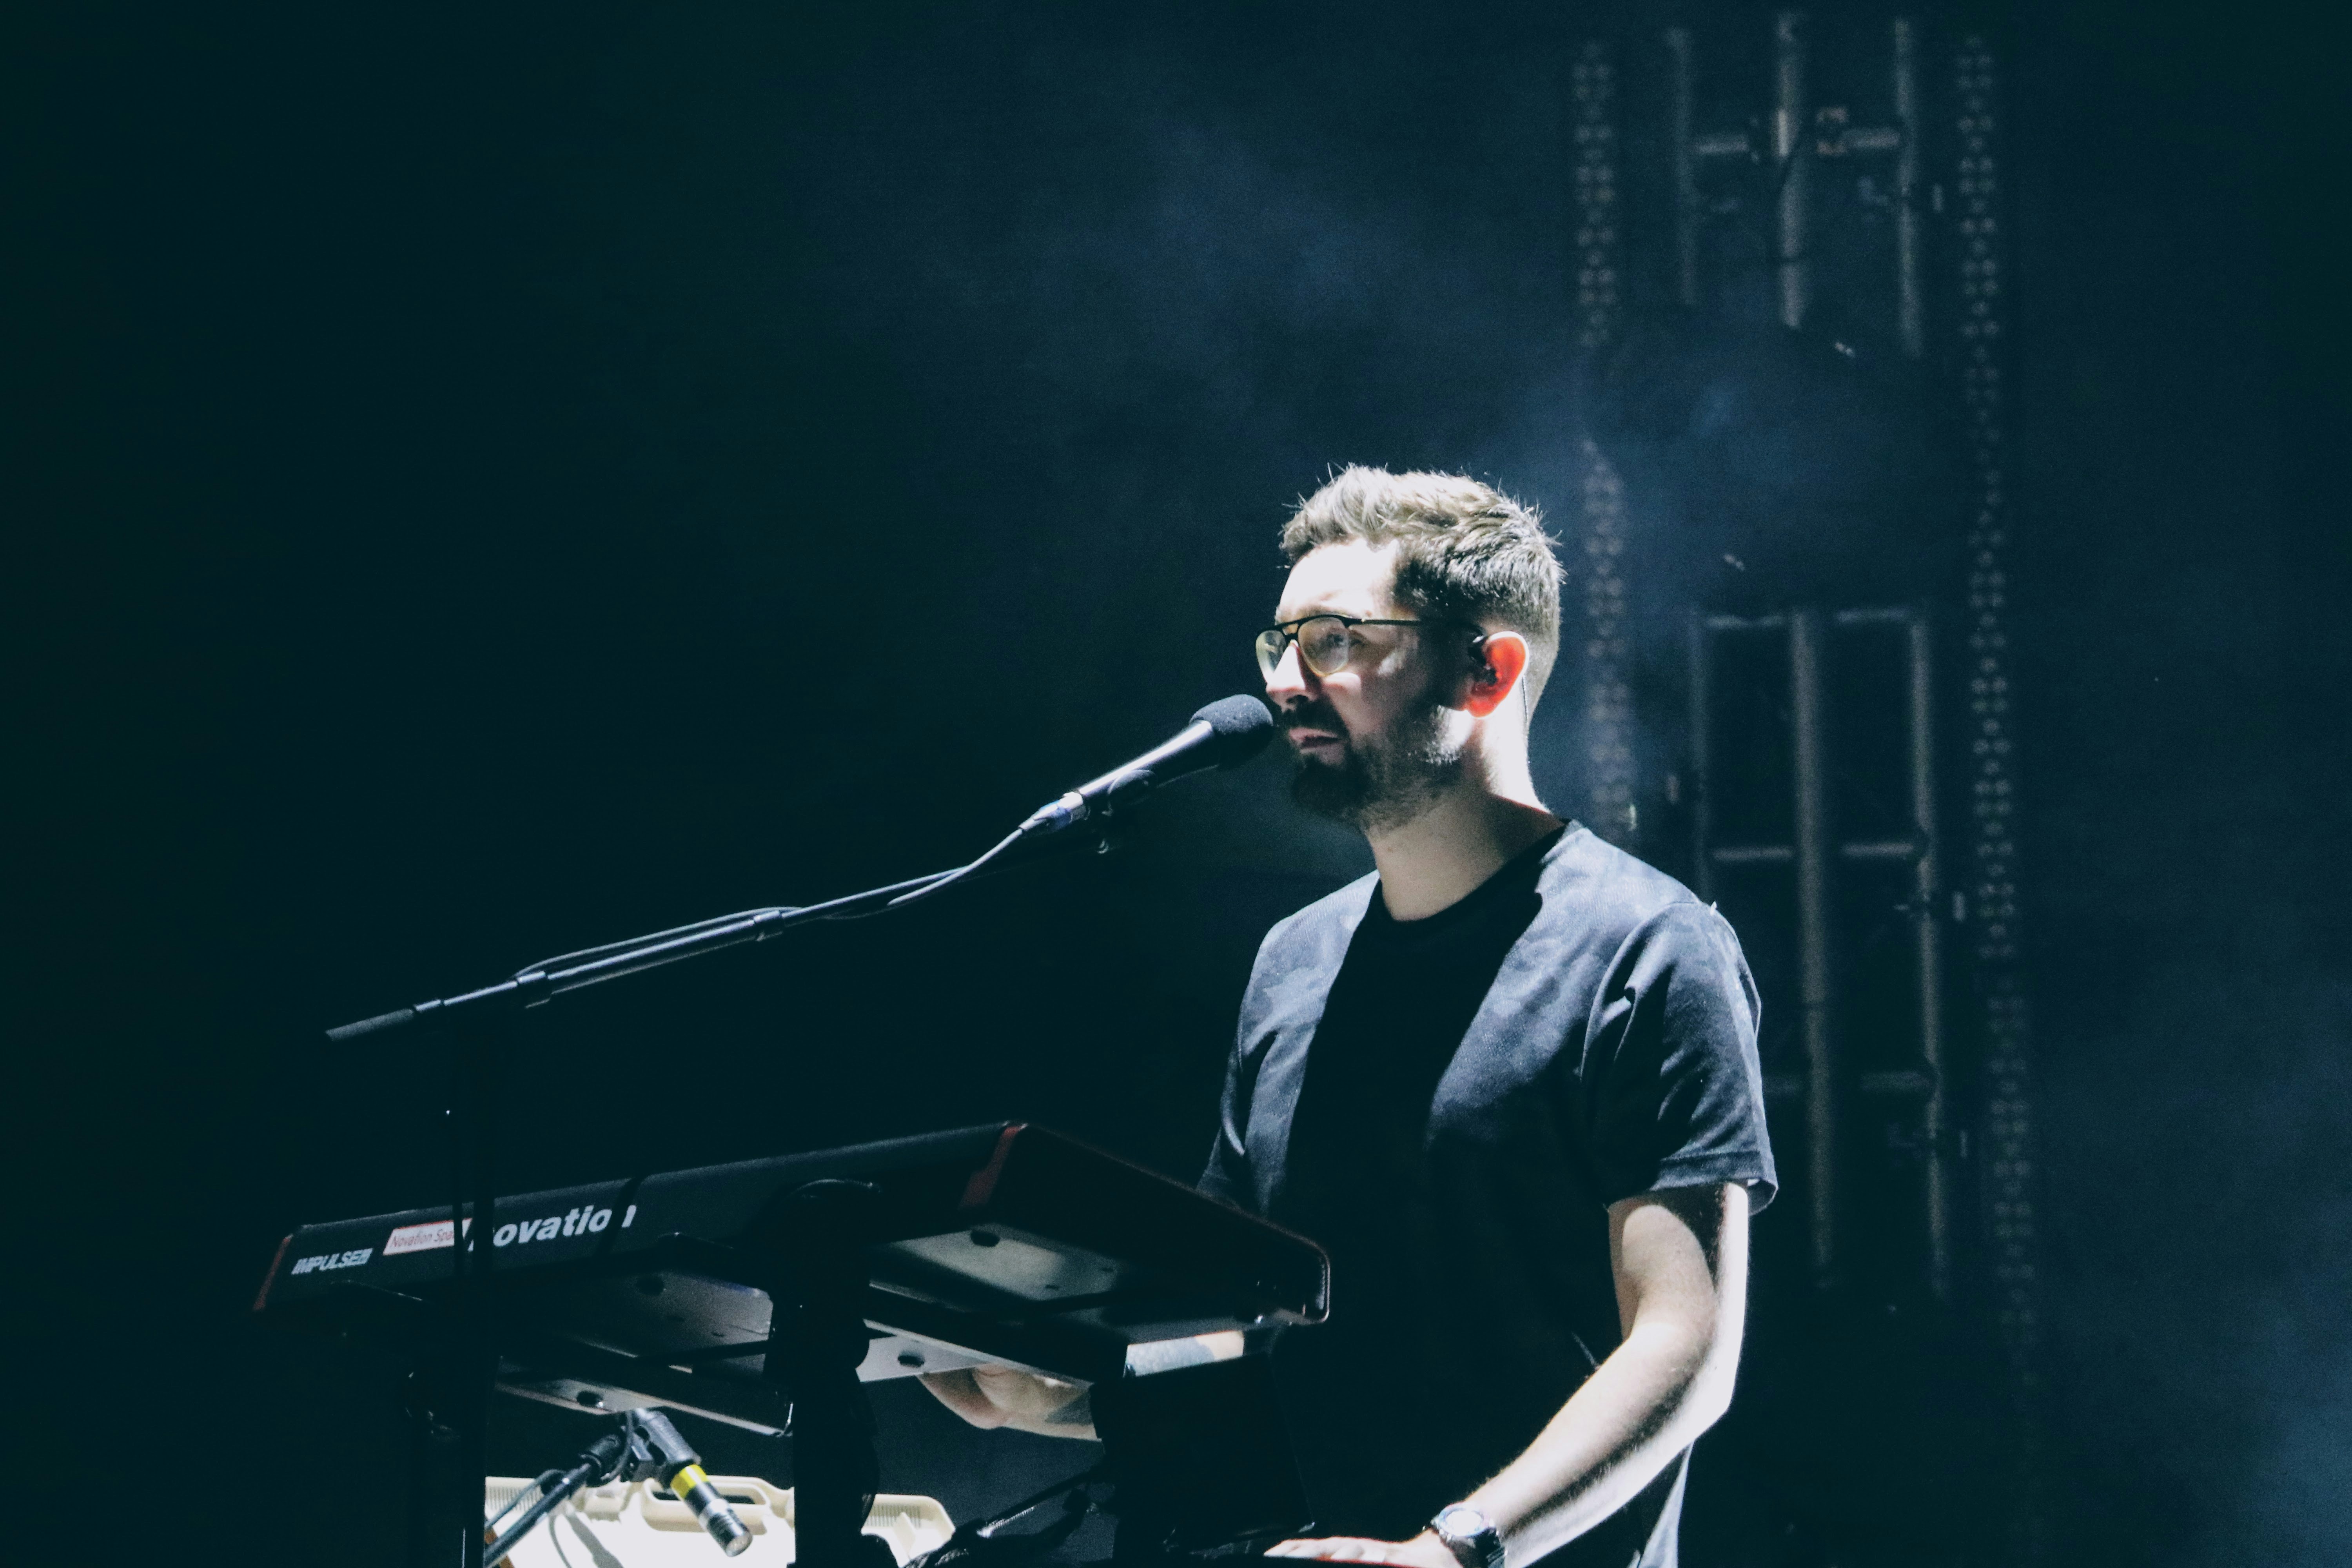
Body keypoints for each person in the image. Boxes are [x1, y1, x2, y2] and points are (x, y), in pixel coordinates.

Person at [924, 467, 1775, 1568]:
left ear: (1488, 668)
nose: (1287, 682)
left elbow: (1684, 1344)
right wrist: (1046, 1389)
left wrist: (1456, 1548)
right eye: (1277, 644)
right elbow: (1251, 1334)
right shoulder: (1295, 962)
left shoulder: (1651, 948)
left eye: (1333, 639)